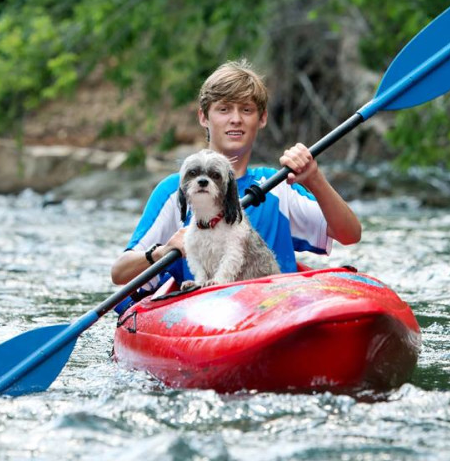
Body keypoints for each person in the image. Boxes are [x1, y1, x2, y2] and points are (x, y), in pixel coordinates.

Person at [110, 59, 361, 306]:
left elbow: (350, 234)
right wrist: (160, 252)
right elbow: (120, 273)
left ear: (261, 119)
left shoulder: (278, 185)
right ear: (203, 117)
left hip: (276, 307)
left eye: (246, 110)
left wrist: (315, 179)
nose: (236, 119)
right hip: (209, 313)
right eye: (224, 109)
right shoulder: (175, 191)